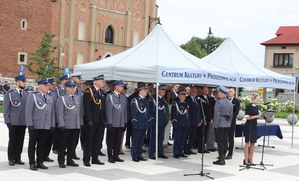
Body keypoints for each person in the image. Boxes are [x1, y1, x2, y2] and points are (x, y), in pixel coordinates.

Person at [25, 78, 55, 171]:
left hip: (46, 125)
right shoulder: (33, 96)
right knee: (32, 145)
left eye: (48, 85)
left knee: (42, 145)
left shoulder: (50, 98)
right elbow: (28, 111)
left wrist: (52, 124)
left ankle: (40, 162)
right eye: (45, 85)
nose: (47, 87)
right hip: (35, 125)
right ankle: (32, 162)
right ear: (40, 86)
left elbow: (52, 113)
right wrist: (30, 124)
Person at [56, 80, 82, 168]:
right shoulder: (62, 98)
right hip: (66, 125)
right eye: (70, 87)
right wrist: (61, 124)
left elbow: (79, 112)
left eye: (73, 87)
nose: (72, 89)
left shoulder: (78, 98)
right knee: (63, 144)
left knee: (73, 143)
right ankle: (61, 160)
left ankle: (70, 160)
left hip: (75, 124)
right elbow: (60, 113)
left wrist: (80, 123)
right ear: (66, 88)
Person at [3, 74, 28, 166]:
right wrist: (7, 121)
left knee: (20, 140)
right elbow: (6, 109)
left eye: (25, 81)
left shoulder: (27, 94)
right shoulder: (10, 94)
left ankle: (18, 158)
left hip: (23, 122)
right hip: (13, 122)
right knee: (13, 140)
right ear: (17, 82)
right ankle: (11, 158)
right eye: (23, 81)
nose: (24, 83)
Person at [82, 75, 106, 167]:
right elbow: (87, 107)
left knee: (98, 140)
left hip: (100, 120)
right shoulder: (89, 91)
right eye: (102, 81)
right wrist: (89, 119)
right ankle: (87, 159)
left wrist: (104, 119)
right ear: (96, 82)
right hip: (92, 120)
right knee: (89, 140)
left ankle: (95, 158)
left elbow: (102, 108)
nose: (103, 83)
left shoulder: (101, 92)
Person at [105, 80, 127, 163]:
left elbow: (124, 111)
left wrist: (124, 122)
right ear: (116, 87)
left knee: (118, 140)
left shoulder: (123, 97)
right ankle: (110, 156)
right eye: (121, 86)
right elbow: (108, 110)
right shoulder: (110, 96)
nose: (122, 88)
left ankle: (116, 155)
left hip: (120, 122)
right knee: (111, 140)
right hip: (113, 122)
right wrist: (109, 122)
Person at [213, 86, 233, 165]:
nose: (217, 94)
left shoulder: (218, 102)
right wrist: (229, 123)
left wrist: (216, 125)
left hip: (220, 124)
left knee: (220, 142)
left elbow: (217, 115)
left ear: (221, 94)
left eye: (218, 93)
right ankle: (223, 156)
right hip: (227, 124)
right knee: (225, 141)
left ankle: (221, 159)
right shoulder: (229, 102)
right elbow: (231, 115)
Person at [148, 84, 168, 159]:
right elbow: (150, 111)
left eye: (164, 90)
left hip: (162, 122)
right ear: (158, 90)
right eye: (162, 90)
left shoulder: (163, 100)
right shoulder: (153, 99)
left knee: (161, 138)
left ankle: (160, 152)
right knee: (153, 138)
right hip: (155, 121)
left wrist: (165, 120)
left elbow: (165, 111)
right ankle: (151, 153)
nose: (164, 92)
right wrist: (151, 120)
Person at [130, 83, 149, 162]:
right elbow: (133, 112)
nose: (146, 91)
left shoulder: (145, 100)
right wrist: (134, 122)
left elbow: (147, 113)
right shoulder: (135, 100)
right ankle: (134, 155)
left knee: (141, 140)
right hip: (138, 123)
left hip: (144, 123)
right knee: (136, 140)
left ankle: (139, 154)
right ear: (140, 91)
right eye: (145, 90)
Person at [52, 74, 69, 154]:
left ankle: (61, 148)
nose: (67, 82)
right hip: (57, 114)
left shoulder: (67, 90)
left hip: (65, 115)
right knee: (57, 133)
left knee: (63, 134)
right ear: (62, 81)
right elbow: (55, 102)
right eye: (66, 80)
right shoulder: (57, 90)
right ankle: (55, 147)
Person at [243, 92, 261, 166]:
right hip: (248, 125)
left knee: (253, 143)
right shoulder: (248, 106)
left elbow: (256, 116)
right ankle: (246, 160)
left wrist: (260, 116)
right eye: (257, 99)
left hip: (254, 126)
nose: (258, 100)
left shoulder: (256, 107)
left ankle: (251, 159)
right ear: (253, 98)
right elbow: (247, 117)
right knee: (247, 143)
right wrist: (257, 116)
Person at [171, 89, 190, 158]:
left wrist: (188, 123)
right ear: (179, 96)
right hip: (179, 124)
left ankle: (181, 151)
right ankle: (176, 152)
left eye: (185, 95)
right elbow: (174, 115)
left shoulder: (186, 104)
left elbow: (187, 115)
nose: (184, 96)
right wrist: (175, 123)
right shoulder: (175, 104)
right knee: (177, 139)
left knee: (183, 139)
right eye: (182, 95)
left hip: (185, 124)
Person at [43, 78, 57, 163]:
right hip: (43, 121)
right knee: (42, 140)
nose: (54, 86)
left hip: (52, 120)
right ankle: (40, 156)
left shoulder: (54, 95)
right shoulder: (41, 94)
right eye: (53, 85)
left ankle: (46, 155)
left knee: (49, 140)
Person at [185, 86, 202, 155]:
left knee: (193, 136)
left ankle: (189, 148)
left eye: (196, 92)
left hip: (195, 122)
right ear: (190, 92)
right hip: (189, 121)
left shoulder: (197, 100)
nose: (195, 93)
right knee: (187, 136)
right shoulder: (187, 99)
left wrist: (200, 120)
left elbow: (199, 111)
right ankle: (185, 149)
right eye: (194, 91)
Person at [198, 86, 215, 153]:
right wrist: (200, 118)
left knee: (206, 134)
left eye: (207, 90)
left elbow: (211, 109)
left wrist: (211, 118)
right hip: (202, 119)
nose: (206, 91)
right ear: (202, 90)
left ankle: (204, 148)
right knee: (201, 134)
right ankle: (200, 148)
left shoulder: (209, 98)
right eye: (204, 90)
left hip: (208, 119)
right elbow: (199, 109)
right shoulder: (200, 98)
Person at [226, 87, 240, 160]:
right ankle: (223, 153)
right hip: (224, 122)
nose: (229, 93)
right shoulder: (225, 100)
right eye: (228, 91)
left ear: (234, 92)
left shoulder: (236, 101)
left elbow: (236, 112)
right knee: (224, 138)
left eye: (230, 91)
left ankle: (230, 153)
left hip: (232, 122)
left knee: (231, 138)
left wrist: (229, 116)